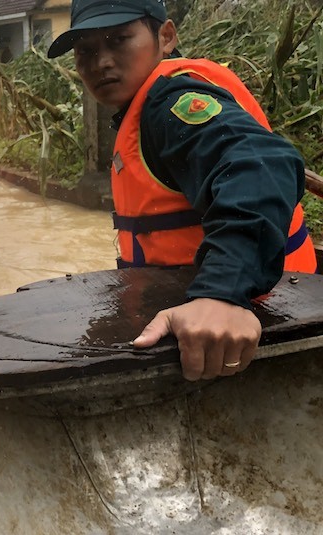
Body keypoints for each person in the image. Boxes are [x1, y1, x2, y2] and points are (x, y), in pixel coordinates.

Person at [47, 0, 317, 381]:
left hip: (264, 321)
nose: (101, 62)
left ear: (166, 37)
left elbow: (261, 163)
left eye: (119, 39)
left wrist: (222, 292)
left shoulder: (171, 105)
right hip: (247, 318)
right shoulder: (146, 110)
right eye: (86, 51)